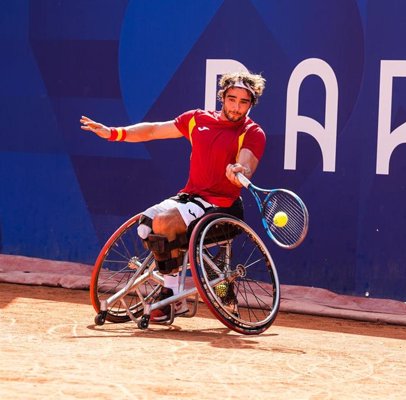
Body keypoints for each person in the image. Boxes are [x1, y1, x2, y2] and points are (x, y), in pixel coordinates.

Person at [80, 71, 267, 322]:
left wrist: (239, 169)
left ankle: (172, 297)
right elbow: (154, 130)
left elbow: (247, 160)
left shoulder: (253, 132)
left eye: (243, 102)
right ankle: (176, 291)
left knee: (166, 223)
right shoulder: (197, 119)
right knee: (147, 226)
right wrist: (113, 132)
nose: (236, 106)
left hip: (222, 208)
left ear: (251, 104)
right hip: (190, 198)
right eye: (231, 99)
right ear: (222, 97)